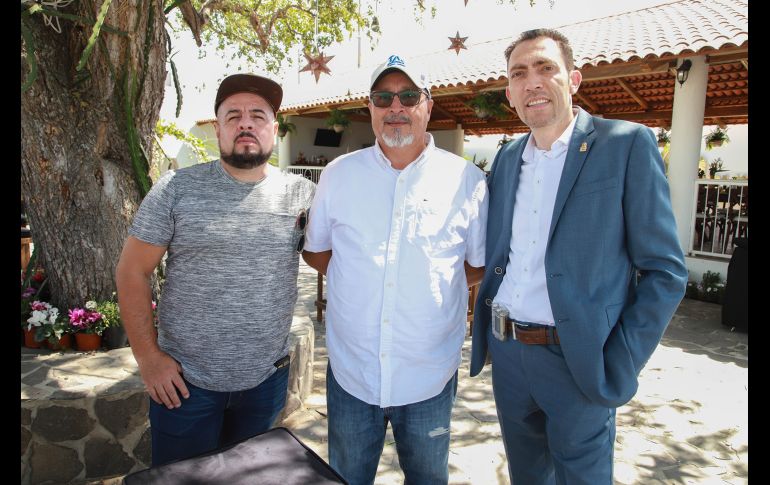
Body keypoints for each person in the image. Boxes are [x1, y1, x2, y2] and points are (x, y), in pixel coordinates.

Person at [470, 29, 688, 484]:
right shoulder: (507, 159)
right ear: (509, 94)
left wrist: (619, 360)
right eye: (519, 74)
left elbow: (664, 271)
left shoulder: (625, 144)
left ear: (573, 79)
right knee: (527, 477)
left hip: (579, 360)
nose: (532, 82)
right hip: (509, 356)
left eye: (545, 68)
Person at [302, 54, 488, 485]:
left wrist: (424, 287)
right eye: (383, 97)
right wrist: (361, 277)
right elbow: (317, 253)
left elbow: (476, 266)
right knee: (345, 479)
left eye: (408, 95)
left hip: (428, 377)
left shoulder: (467, 181)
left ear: (428, 104)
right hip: (352, 375)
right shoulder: (338, 175)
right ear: (370, 108)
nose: (395, 107)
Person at [115, 73, 315, 466]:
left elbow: (338, 256)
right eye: (233, 115)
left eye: (258, 115)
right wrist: (149, 359)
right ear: (218, 128)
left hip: (265, 382)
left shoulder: (301, 195)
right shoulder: (177, 188)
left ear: (274, 130)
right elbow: (131, 272)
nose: (246, 123)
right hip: (186, 385)